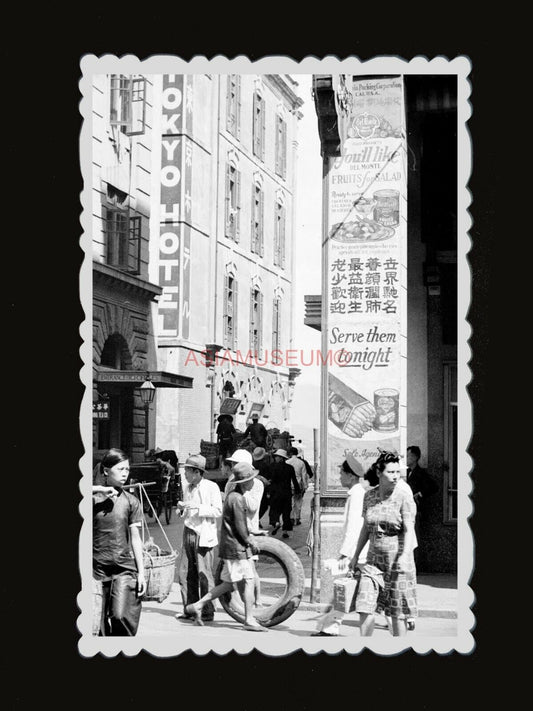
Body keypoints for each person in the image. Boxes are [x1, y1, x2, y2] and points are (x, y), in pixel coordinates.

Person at [185, 462, 266, 632]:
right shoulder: (236, 499)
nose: (254, 483)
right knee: (249, 581)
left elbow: (238, 524)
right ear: (245, 482)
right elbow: (239, 527)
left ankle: (198, 605)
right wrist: (250, 540)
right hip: (236, 549)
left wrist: (254, 533)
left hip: (230, 547)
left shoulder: (234, 497)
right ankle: (249, 619)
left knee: (227, 584)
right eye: (251, 479)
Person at [349, 450, 417, 637]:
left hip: (397, 562)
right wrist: (355, 555)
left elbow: (410, 530)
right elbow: (365, 528)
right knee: (364, 606)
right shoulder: (369, 496)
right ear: (379, 473)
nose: (396, 477)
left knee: (396, 613)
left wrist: (404, 557)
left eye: (397, 472)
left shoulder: (404, 497)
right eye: (391, 472)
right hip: (373, 562)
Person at [312, 453, 369, 637]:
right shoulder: (356, 493)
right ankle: (331, 625)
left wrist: (345, 554)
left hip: (357, 554)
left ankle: (399, 618)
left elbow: (354, 527)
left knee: (349, 591)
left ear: (351, 476)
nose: (339, 477)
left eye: (342, 474)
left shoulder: (357, 495)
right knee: (346, 590)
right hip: (357, 553)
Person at [93, 448, 146, 636]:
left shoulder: (131, 501)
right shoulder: (92, 499)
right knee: (96, 625)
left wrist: (141, 573)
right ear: (106, 471)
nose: (125, 474)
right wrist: (99, 490)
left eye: (127, 469)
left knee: (121, 616)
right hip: (96, 570)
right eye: (120, 469)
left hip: (123, 567)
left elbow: (136, 538)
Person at [176, 454, 223, 623]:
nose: (185, 474)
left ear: (196, 472)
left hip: (203, 534)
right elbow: (187, 510)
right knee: (186, 573)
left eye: (187, 471)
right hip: (189, 531)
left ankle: (207, 611)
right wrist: (181, 509)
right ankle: (189, 609)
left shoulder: (211, 487)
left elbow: (218, 511)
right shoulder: (187, 488)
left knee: (204, 574)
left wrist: (199, 507)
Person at [224, 454, 266, 606]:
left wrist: (244, 489)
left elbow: (253, 507)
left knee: (250, 572)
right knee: (233, 575)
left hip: (248, 529)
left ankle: (257, 602)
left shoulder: (256, 485)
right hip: (234, 534)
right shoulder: (232, 484)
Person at [267, 449, 300, 539]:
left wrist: (268, 491)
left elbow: (271, 480)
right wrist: (297, 490)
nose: (275, 458)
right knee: (286, 512)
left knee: (275, 510)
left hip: (276, 493)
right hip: (286, 493)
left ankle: (277, 523)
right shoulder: (290, 468)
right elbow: (294, 480)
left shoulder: (273, 467)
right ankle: (285, 531)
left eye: (277, 457)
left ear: (281, 458)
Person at [286, 446, 309, 525]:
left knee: (290, 502)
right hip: (298, 485)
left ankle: (291, 518)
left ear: (291, 453)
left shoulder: (287, 462)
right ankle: (297, 518)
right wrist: (305, 486)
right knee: (298, 502)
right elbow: (304, 475)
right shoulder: (301, 463)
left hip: (289, 484)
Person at [252, 447, 271, 525]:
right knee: (264, 505)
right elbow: (269, 478)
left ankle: (254, 519)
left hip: (252, 487)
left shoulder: (251, 465)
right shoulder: (265, 465)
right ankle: (256, 519)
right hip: (262, 487)